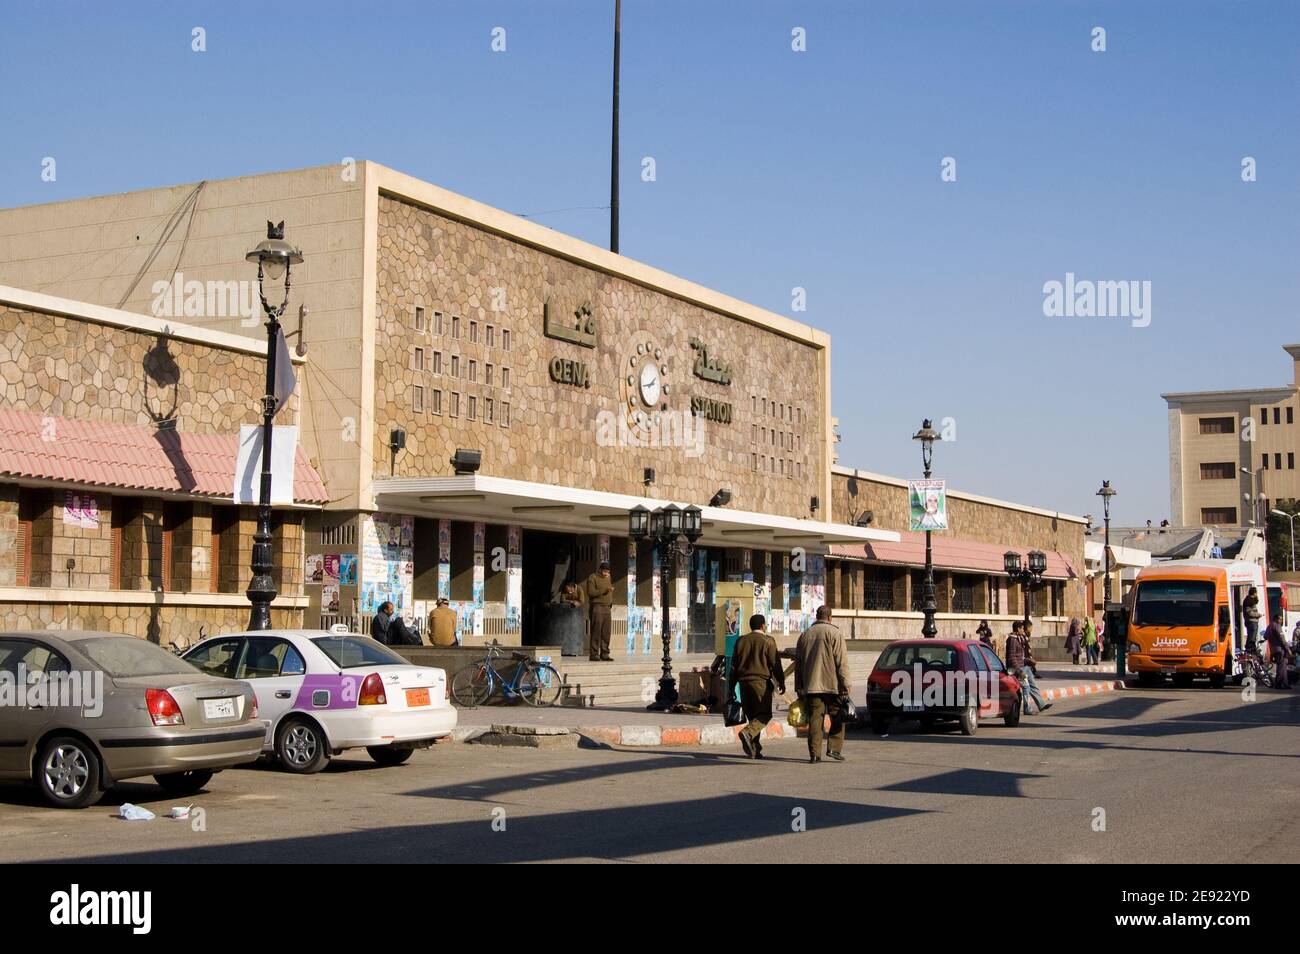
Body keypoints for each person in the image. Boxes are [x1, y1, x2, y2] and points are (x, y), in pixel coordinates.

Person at [794, 605, 851, 764]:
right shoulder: (835, 633)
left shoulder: (805, 635)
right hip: (832, 685)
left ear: (816, 616)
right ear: (830, 617)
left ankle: (814, 754)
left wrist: (799, 686)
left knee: (815, 720)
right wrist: (846, 683)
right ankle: (834, 748)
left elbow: (798, 664)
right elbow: (842, 662)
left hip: (811, 686)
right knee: (839, 716)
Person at [726, 614, 787, 760]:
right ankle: (747, 733)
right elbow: (775, 664)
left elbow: (733, 667)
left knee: (753, 716)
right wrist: (781, 682)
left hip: (743, 683)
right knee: (764, 714)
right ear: (763, 626)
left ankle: (754, 749)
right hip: (760, 683)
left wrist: (731, 686)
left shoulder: (741, 641)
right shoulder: (768, 641)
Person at [1004, 620, 1051, 715]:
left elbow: (1020, 656)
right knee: (1026, 687)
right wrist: (1019, 671)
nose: (1023, 630)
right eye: (1022, 628)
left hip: (1023, 666)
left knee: (1031, 686)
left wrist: (1029, 661)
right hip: (1016, 669)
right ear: (1018, 629)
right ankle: (1027, 709)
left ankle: (1039, 705)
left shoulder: (1019, 638)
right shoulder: (1012, 640)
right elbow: (1012, 658)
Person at [583, 562, 614, 661]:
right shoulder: (592, 577)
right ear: (600, 569)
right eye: (605, 571)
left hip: (607, 607)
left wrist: (610, 601)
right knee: (596, 630)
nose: (606, 574)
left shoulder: (608, 577)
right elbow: (591, 593)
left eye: (608, 572)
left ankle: (605, 653)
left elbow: (608, 590)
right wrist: (604, 590)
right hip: (597, 606)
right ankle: (594, 654)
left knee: (606, 631)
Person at [1264, 611, 1292, 689]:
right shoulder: (1277, 626)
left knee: (1282, 666)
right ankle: (1279, 684)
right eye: (1280, 619)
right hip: (1280, 649)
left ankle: (1285, 684)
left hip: (1273, 649)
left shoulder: (1269, 626)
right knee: (1281, 667)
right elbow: (1282, 639)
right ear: (1276, 619)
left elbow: (1265, 636)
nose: (1281, 621)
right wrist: (1287, 649)